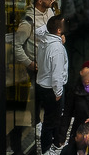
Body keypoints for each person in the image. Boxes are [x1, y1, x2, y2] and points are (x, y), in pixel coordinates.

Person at [36, 14, 69, 153]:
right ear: (59, 31)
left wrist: (51, 26)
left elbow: (38, 31)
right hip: (52, 89)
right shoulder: (56, 48)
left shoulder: (44, 40)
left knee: (53, 119)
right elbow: (56, 74)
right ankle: (46, 150)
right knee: (50, 122)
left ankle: (55, 144)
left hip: (43, 86)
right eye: (63, 25)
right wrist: (58, 92)